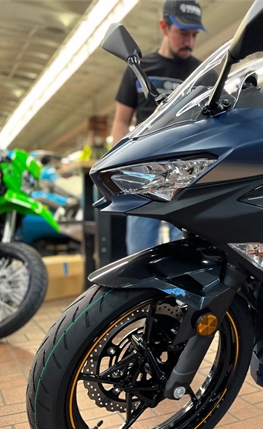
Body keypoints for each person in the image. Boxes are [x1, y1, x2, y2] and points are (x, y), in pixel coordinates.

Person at [112, 0, 205, 255]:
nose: (189, 42)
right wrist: (122, 169)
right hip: (144, 173)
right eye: (183, 33)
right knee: (139, 252)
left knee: (190, 252)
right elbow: (121, 121)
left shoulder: (201, 73)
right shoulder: (140, 68)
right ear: (164, 27)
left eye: (194, 35)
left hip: (188, 172)